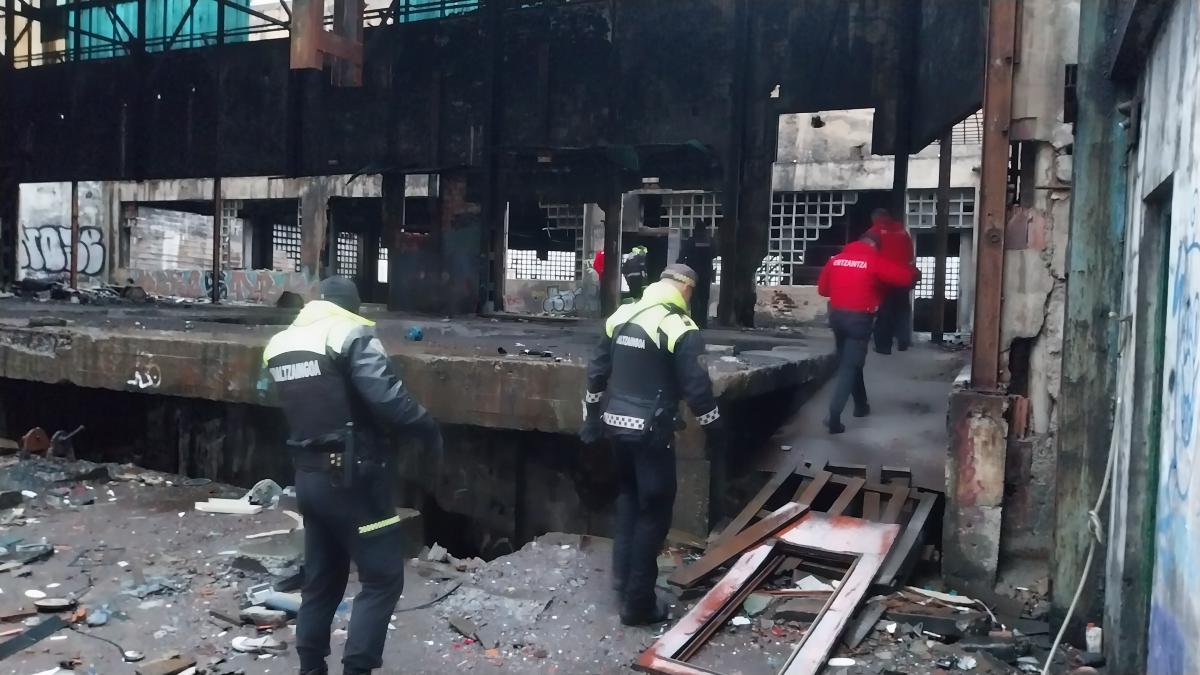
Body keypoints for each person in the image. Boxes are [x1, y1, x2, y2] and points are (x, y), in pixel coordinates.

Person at [263, 276, 443, 675]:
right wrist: (426, 426)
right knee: (382, 580)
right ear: (353, 307)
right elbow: (386, 397)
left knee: (322, 582)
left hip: (308, 479)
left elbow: (277, 396)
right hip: (355, 483)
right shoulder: (350, 333)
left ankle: (310, 669)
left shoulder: (280, 345)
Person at [580, 264, 725, 625]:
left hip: (616, 427)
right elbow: (697, 390)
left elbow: (597, 372)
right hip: (652, 434)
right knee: (655, 511)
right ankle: (638, 603)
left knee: (629, 499)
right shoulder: (679, 327)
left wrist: (591, 417)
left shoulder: (622, 315)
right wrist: (717, 430)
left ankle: (621, 580)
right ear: (686, 290)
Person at [817, 232, 916, 434]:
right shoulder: (873, 260)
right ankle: (833, 417)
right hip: (859, 321)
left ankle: (861, 405)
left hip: (837, 318)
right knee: (849, 366)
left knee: (851, 362)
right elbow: (903, 278)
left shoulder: (835, 260)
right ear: (874, 246)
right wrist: (913, 271)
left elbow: (822, 290)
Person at [866, 208, 917, 353]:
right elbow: (909, 255)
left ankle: (883, 346)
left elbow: (868, 254)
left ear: (875, 218)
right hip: (903, 276)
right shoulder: (902, 232)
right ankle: (904, 340)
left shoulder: (873, 233)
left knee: (885, 312)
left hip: (884, 277)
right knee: (902, 309)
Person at [678, 226, 716, 328]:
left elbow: (682, 256)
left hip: (692, 273)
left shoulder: (691, 241)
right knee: (704, 298)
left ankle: (695, 321)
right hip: (706, 273)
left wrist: (679, 267)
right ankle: (703, 322)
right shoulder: (709, 241)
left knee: (694, 298)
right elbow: (715, 253)